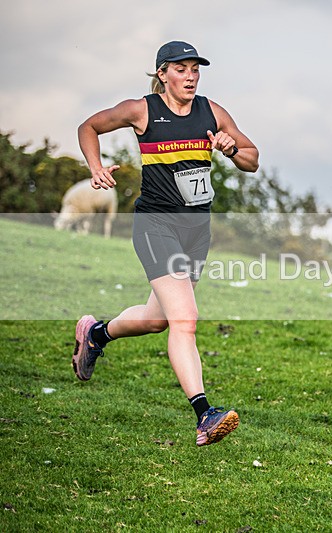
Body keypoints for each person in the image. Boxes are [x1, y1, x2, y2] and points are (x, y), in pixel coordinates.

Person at [72, 41, 259, 446]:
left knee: (158, 319)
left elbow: (252, 157)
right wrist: (95, 167)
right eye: (181, 69)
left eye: (195, 69)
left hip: (197, 230)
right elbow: (89, 126)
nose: (190, 76)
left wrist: (230, 151)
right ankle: (204, 413)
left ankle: (96, 335)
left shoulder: (212, 111)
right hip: (157, 225)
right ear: (162, 73)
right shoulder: (142, 110)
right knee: (185, 320)